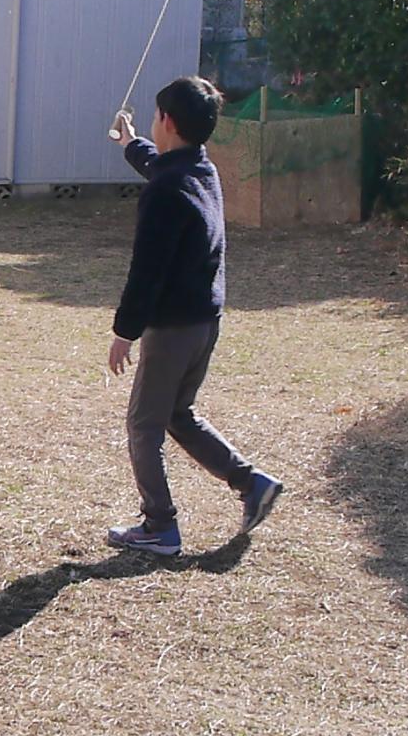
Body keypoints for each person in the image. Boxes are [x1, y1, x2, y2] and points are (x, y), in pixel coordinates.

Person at [104, 77, 282, 555]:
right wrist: (130, 143)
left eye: (156, 117)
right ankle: (252, 484)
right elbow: (161, 166)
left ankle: (159, 526)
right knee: (177, 415)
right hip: (206, 323)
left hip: (174, 329)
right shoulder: (202, 170)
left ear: (167, 121)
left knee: (144, 424)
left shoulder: (165, 191)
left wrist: (124, 332)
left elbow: (147, 272)